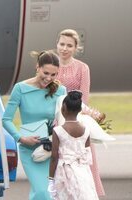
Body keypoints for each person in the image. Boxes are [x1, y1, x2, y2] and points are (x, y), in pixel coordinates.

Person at [2, 50, 66, 200]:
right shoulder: (20, 88)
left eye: (53, 74)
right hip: (29, 149)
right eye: (45, 73)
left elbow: (65, 119)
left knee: (50, 193)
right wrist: (20, 138)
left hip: (52, 149)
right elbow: (6, 119)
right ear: (37, 67)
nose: (49, 78)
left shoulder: (61, 91)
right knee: (42, 191)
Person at [56, 29, 105, 196]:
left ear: (76, 48)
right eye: (62, 44)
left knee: (82, 160)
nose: (64, 48)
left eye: (69, 45)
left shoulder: (82, 68)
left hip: (75, 116)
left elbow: (84, 97)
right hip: (55, 118)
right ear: (57, 44)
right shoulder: (51, 65)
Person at [48, 90, 99, 200]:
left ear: (63, 108)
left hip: (64, 172)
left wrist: (51, 179)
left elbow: (54, 157)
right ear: (80, 109)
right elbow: (87, 155)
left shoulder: (58, 131)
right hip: (83, 171)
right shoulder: (86, 130)